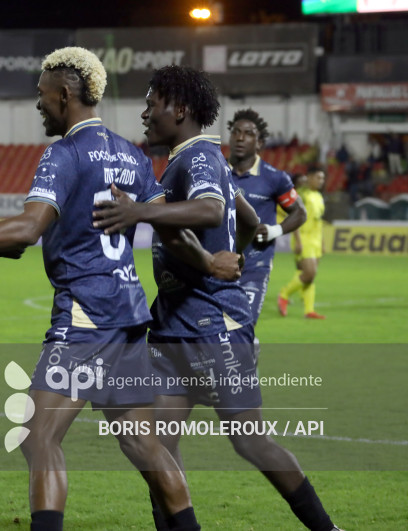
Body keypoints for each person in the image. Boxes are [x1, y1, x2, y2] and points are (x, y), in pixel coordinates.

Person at [0, 47, 214, 531]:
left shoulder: (64, 153)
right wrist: (211, 263)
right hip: (126, 316)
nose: (38, 104)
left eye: (41, 94)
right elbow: (169, 229)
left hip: (86, 315)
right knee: (142, 441)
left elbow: (27, 229)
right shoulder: (131, 153)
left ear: (64, 95)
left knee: (37, 435)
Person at [92, 65, 341, 531]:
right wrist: (232, 255)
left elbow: (212, 209)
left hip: (212, 326)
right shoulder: (200, 161)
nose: (145, 114)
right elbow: (245, 220)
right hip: (172, 327)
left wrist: (138, 211)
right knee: (157, 444)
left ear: (180, 110)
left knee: (250, 440)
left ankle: (328, 530)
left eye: (152, 105)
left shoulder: (199, 157)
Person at [226, 108, 306, 326]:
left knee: (241, 327)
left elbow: (300, 212)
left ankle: (247, 350)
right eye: (236, 132)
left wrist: (274, 231)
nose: (240, 138)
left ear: (260, 142)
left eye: (249, 133)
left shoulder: (274, 178)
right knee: (215, 334)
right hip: (217, 265)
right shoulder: (216, 172)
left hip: (254, 267)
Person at [278, 166, 327, 319]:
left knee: (309, 275)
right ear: (310, 177)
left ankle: (309, 310)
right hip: (304, 238)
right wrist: (298, 240)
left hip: (316, 240)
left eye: (323, 178)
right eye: (318, 177)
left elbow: (319, 220)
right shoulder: (302, 195)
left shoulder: (318, 196)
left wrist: (323, 241)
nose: (321, 181)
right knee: (309, 273)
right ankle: (284, 294)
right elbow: (295, 216)